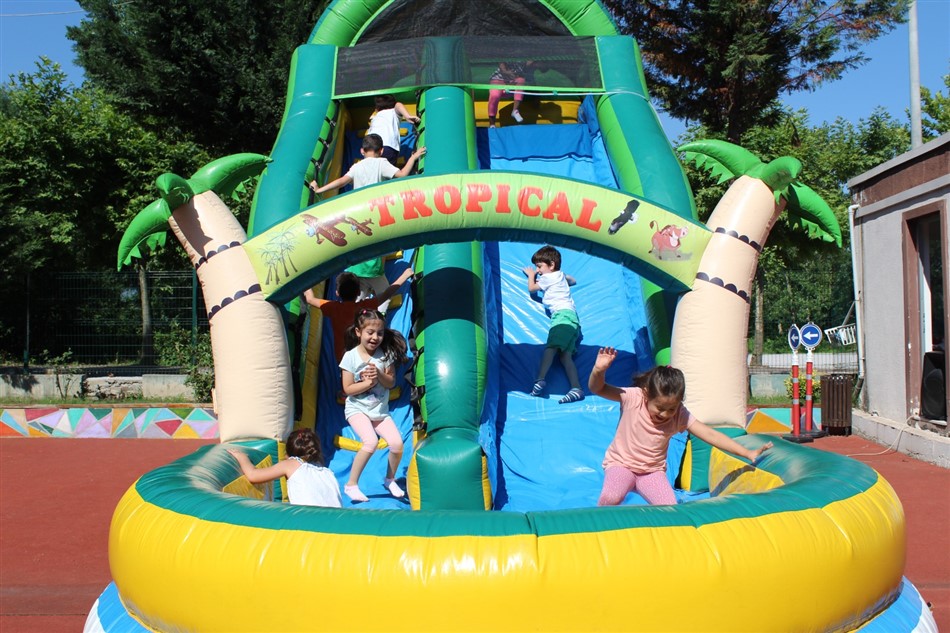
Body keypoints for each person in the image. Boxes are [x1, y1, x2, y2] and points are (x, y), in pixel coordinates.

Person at [588, 348, 773, 506]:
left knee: (670, 507)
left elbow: (710, 435)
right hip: (621, 464)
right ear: (646, 394)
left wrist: (747, 453)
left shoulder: (680, 414)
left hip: (651, 472)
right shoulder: (633, 398)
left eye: (671, 409)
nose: (665, 414)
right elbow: (598, 388)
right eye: (660, 408)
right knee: (610, 497)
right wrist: (598, 370)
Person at [309, 133, 424, 311]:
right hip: (376, 217)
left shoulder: (357, 167)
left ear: (362, 151)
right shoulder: (382, 163)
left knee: (362, 257)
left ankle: (358, 307)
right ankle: (377, 313)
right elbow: (401, 175)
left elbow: (342, 181)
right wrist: (413, 157)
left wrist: (320, 189)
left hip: (357, 219)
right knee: (377, 264)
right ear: (382, 151)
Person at [339, 308, 410, 502]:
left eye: (379, 333)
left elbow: (391, 382)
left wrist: (378, 375)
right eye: (370, 332)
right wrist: (367, 384)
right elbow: (347, 388)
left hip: (379, 411)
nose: (375, 337)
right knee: (370, 442)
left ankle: (389, 479)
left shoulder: (385, 355)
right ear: (358, 332)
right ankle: (351, 485)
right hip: (357, 409)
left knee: (397, 445)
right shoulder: (350, 357)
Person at [304, 267, 414, 363]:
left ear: (337, 293)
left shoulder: (333, 308)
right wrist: (404, 276)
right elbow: (387, 293)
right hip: (364, 355)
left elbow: (310, 299)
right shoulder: (364, 306)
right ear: (358, 292)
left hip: (343, 358)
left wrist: (305, 278)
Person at [523, 245, 585, 404]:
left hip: (562, 317)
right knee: (565, 357)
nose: (538, 270)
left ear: (551, 265)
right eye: (536, 268)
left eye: (539, 267)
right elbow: (573, 280)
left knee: (551, 348)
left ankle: (540, 379)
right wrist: (562, 280)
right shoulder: (560, 275)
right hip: (573, 320)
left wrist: (531, 275)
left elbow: (532, 289)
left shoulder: (546, 278)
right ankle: (576, 388)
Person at [225, 428, 342, 508]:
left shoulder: (292, 464)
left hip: (309, 523)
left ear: (287, 455)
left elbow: (253, 475)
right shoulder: (328, 473)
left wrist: (242, 457)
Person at [367, 94, 421, 166]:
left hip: (371, 147)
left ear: (376, 108)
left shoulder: (375, 118)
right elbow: (398, 105)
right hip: (388, 145)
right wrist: (407, 116)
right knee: (387, 170)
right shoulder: (392, 112)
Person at [487, 61, 534, 127]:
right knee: (494, 96)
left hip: (512, 83)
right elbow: (502, 65)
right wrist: (506, 72)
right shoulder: (507, 58)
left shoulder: (524, 60)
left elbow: (532, 63)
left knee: (521, 80)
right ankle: (492, 124)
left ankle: (515, 111)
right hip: (498, 81)